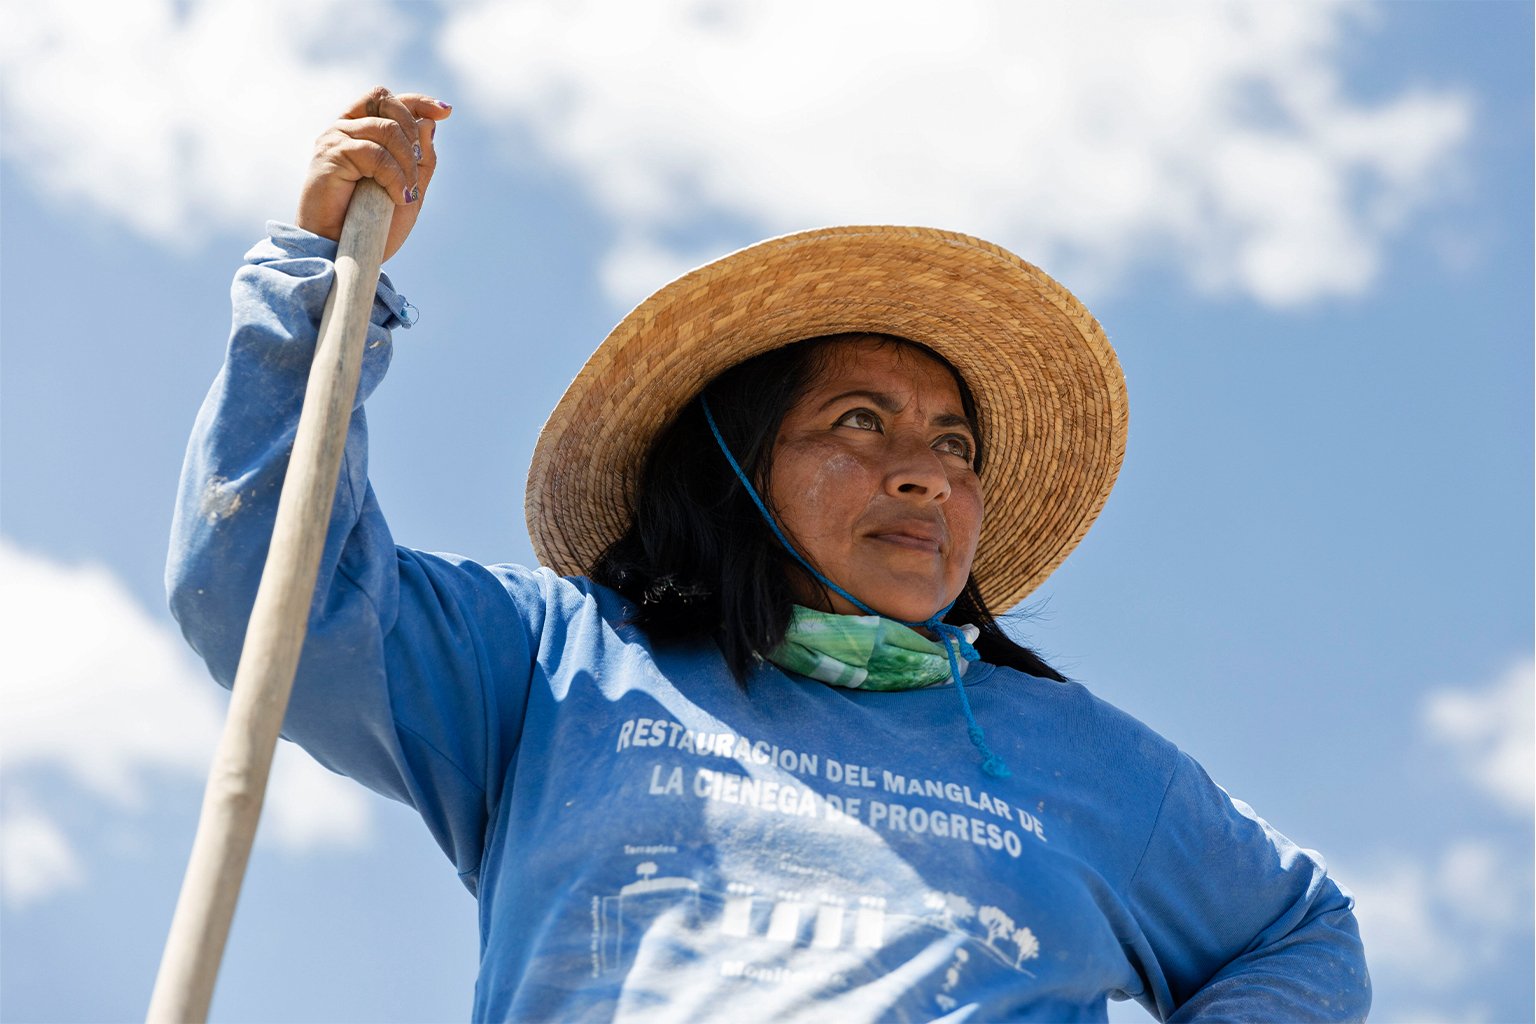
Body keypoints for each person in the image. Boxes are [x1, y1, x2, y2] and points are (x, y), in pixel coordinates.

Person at [167, 87, 1370, 1022]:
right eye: (861, 422)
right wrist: (316, 282)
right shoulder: (549, 667)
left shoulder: (1089, 762)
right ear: (731, 469)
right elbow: (270, 596)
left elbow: (1299, 932)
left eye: (956, 444)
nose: (926, 473)